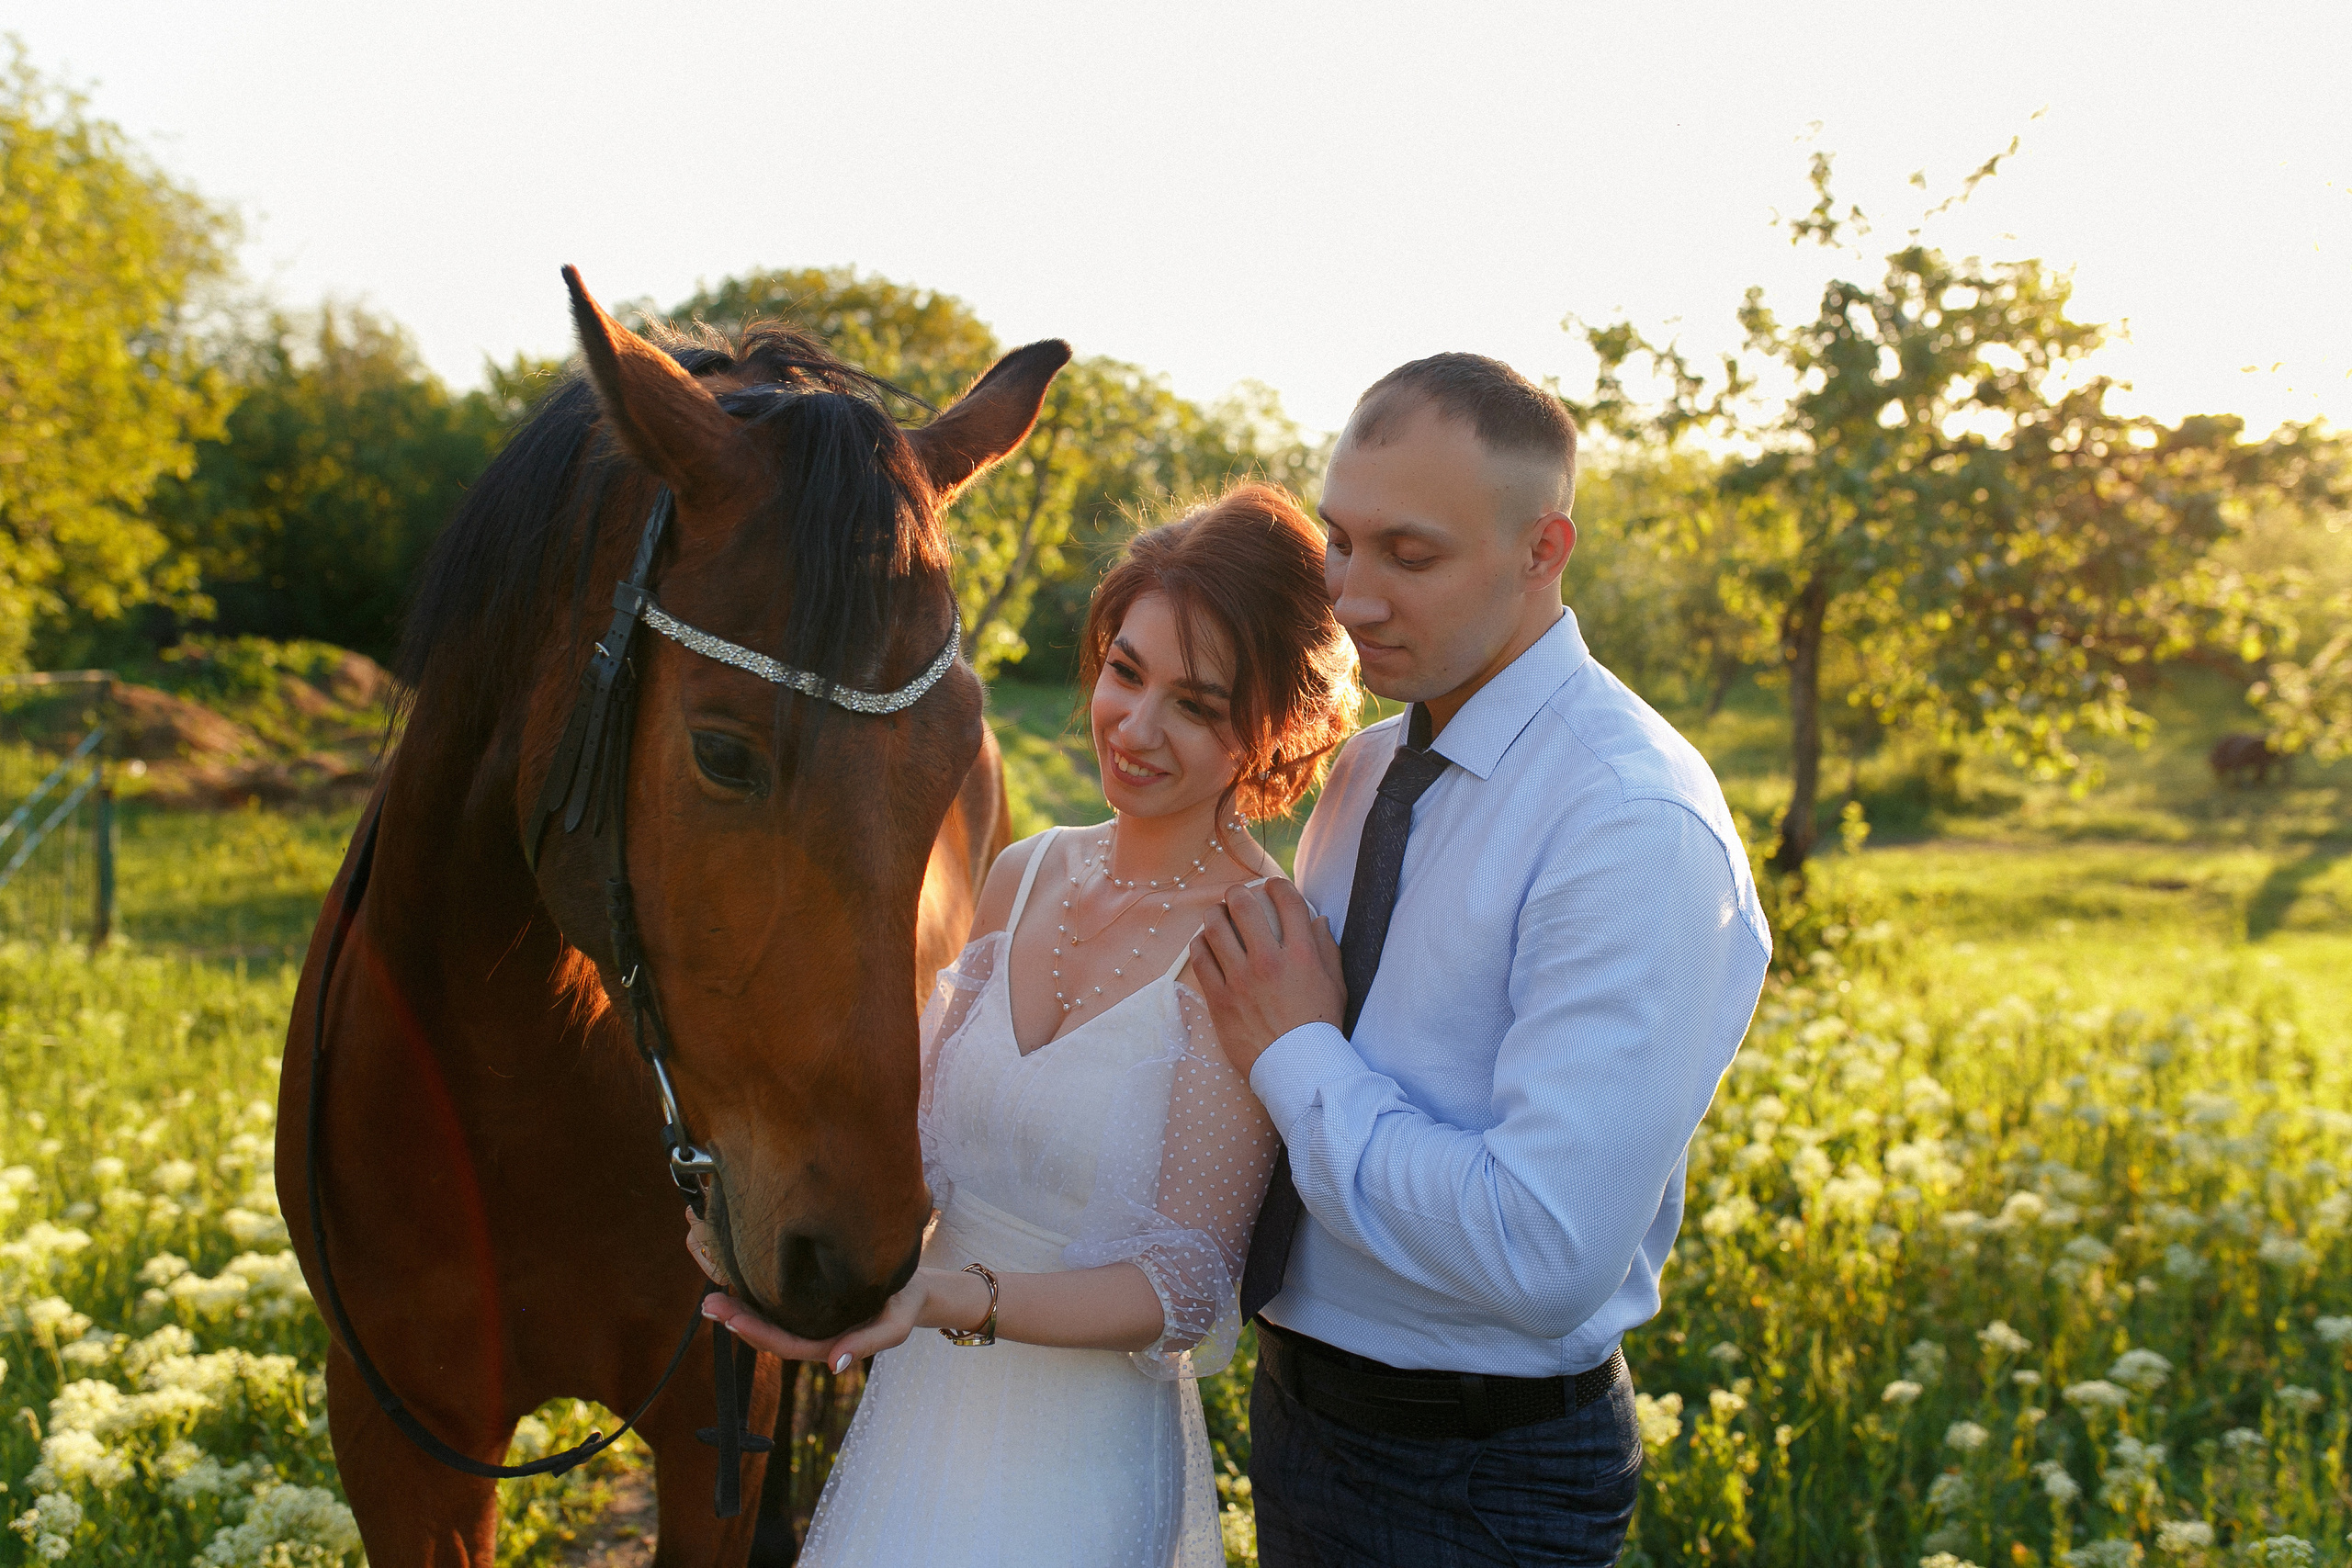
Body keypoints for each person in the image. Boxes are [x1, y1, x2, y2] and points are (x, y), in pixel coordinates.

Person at [694, 481, 1359, 1567]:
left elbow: (1181, 1288)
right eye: (1124, 671)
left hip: (1077, 1463)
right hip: (921, 1416)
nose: (1135, 729)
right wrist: (750, 1214)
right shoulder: (1022, 870)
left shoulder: (1256, 944)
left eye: (1196, 704)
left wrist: (942, 1299)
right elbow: (912, 1143)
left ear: (1271, 729)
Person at [1188, 355, 1772, 1566]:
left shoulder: (1626, 818)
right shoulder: (1364, 771)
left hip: (1475, 1477)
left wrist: (1296, 1053)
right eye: (1341, 544)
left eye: (1411, 555)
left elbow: (1542, 1246)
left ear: (1542, 549)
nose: (1351, 599)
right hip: (1303, 1416)